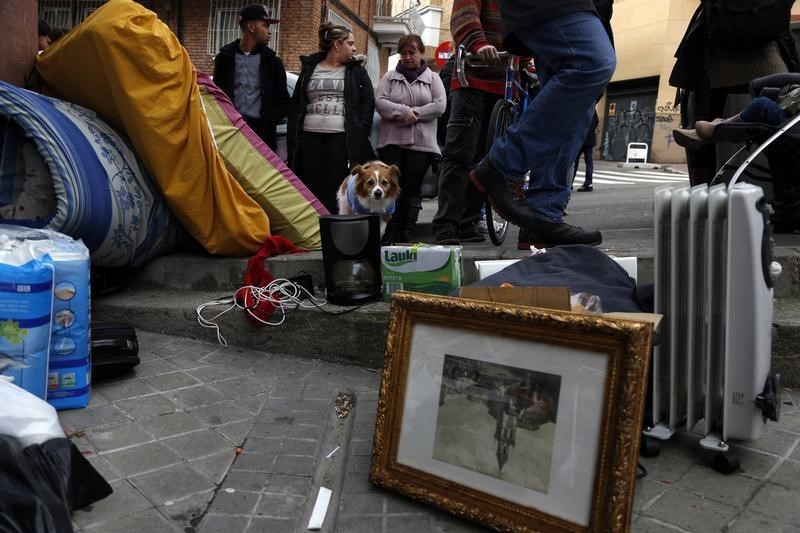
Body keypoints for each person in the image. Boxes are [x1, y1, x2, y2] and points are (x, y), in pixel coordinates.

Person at [469, 1, 616, 247]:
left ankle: (542, 216)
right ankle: (502, 164)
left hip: (586, 8)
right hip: (557, 5)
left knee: (576, 105)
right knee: (591, 63)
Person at [669, 0, 798, 186]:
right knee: (780, 125)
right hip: (766, 53)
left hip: (717, 55)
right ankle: (784, 194)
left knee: (776, 119)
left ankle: (702, 192)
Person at [431, 0, 508, 246]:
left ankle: (467, 221)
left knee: (488, 160)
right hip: (471, 80)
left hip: (504, 83)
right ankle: (447, 224)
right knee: (459, 155)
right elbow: (463, 17)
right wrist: (479, 43)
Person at [287, 23, 376, 214]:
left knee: (335, 186)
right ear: (337, 44)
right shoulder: (310, 68)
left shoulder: (356, 71)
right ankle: (313, 231)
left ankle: (333, 230)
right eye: (350, 43)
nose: (354, 48)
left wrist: (360, 132)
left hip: (340, 138)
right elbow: (297, 104)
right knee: (310, 185)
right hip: (309, 136)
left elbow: (367, 103)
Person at [374, 34, 446, 244]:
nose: (407, 57)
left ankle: (407, 231)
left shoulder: (433, 78)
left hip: (421, 144)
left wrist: (413, 114)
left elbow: (440, 105)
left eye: (412, 52)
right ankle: (392, 230)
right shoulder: (389, 77)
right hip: (392, 143)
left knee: (412, 188)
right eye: (403, 53)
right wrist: (403, 112)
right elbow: (381, 102)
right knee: (392, 186)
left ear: (420, 53)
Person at [213, 4, 290, 151]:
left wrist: (268, 121)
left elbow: (283, 99)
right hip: (230, 131)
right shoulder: (225, 58)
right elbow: (217, 95)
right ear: (251, 27)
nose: (269, 31)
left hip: (261, 133)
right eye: (265, 26)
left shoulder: (272, 61)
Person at [575, 112, 599, 192]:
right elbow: (596, 122)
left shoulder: (581, 105)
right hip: (590, 139)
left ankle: (569, 183)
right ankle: (588, 183)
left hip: (580, 139)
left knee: (574, 161)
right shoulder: (593, 110)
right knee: (589, 162)